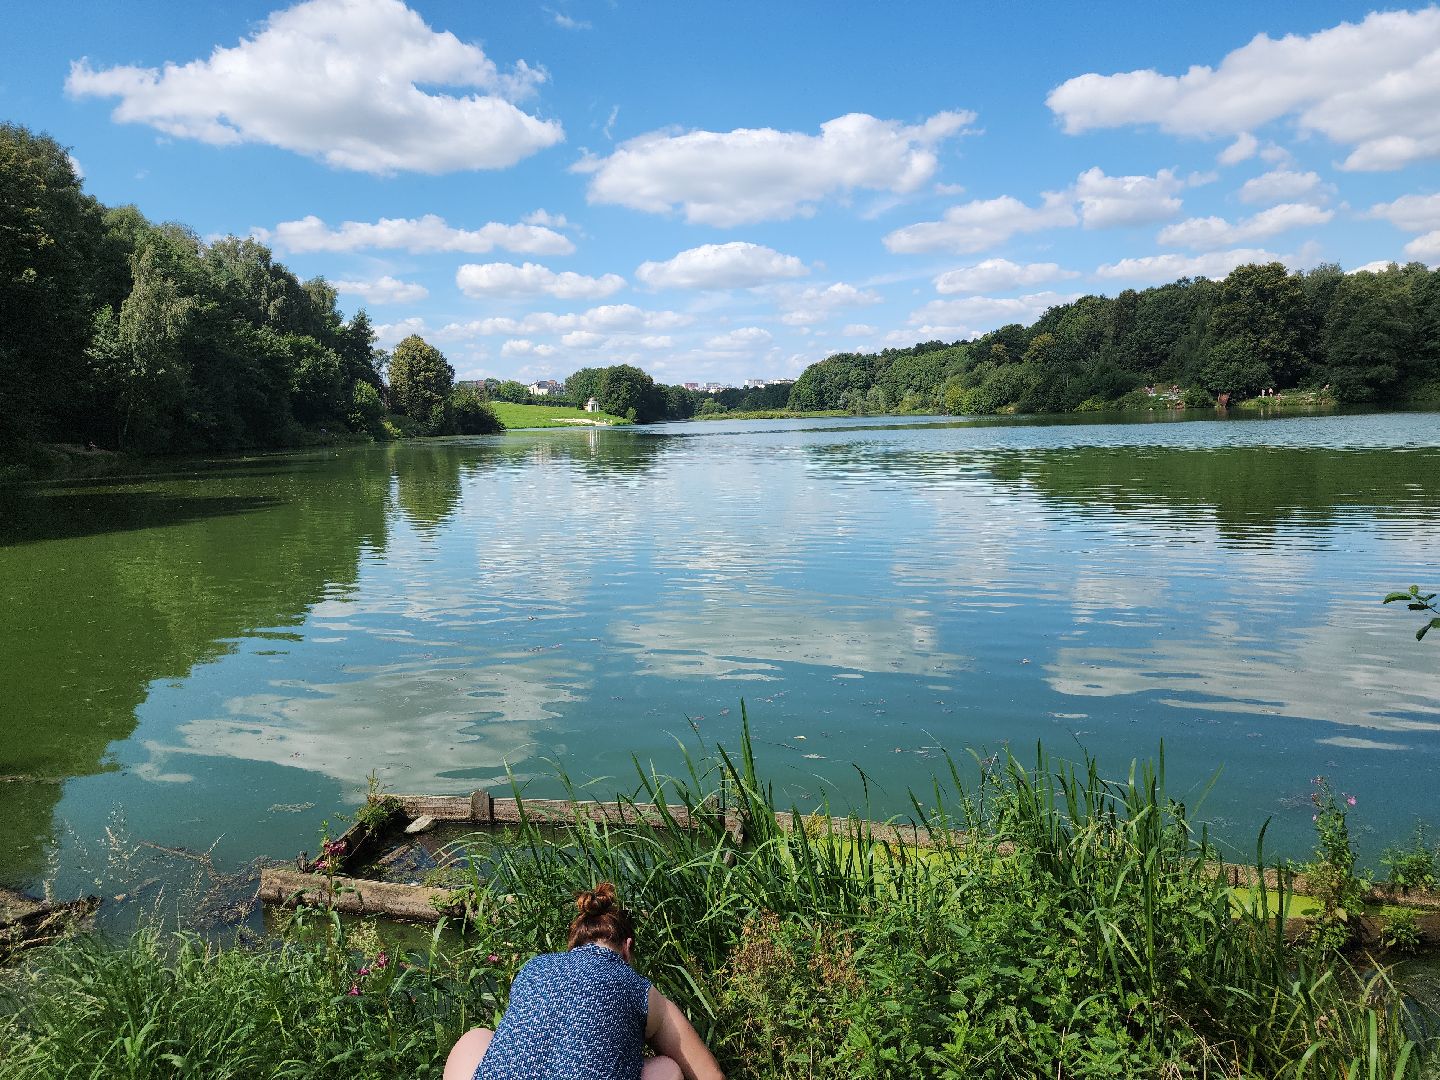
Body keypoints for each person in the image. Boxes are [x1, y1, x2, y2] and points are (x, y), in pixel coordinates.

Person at [444, 882, 725, 1080]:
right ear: (626, 948)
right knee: (666, 1069)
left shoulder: (533, 968)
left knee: (476, 1038)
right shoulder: (639, 989)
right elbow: (709, 1075)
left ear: (573, 947)